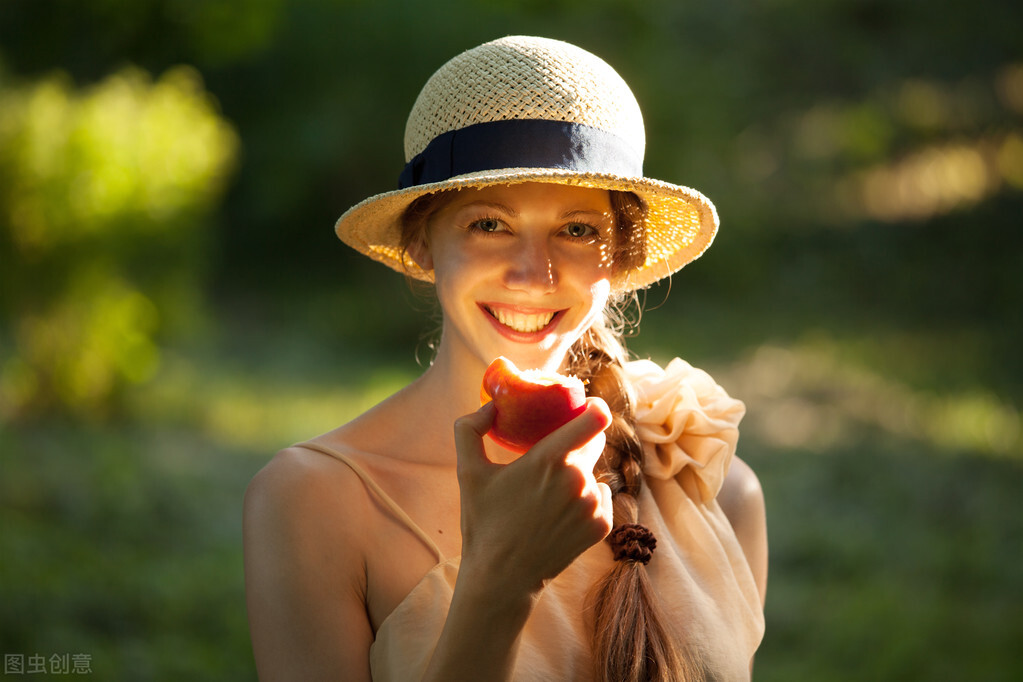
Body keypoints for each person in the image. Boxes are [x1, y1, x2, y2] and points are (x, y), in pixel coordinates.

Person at [243, 35, 767, 681]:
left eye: (577, 230)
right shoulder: (317, 499)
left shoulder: (711, 482)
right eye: (488, 223)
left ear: (623, 260)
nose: (532, 273)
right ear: (422, 244)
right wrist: (499, 581)